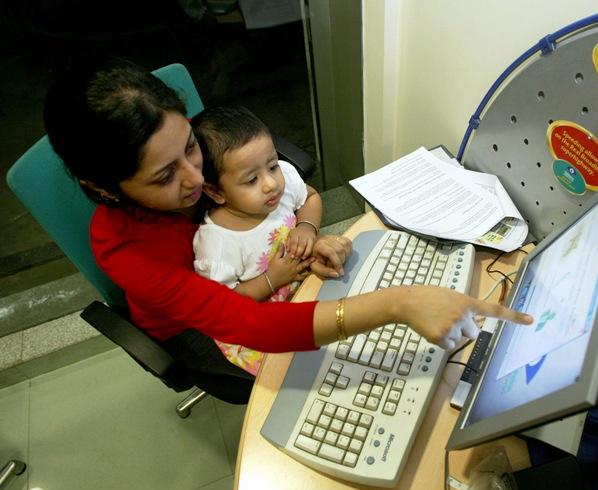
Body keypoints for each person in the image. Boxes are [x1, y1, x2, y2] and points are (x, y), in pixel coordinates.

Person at [42, 58, 533, 399]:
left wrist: (305, 228)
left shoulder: (191, 163)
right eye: (165, 176)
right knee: (322, 377)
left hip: (261, 269)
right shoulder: (125, 249)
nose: (198, 180)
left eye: (190, 147)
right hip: (201, 324)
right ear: (105, 187)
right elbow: (249, 325)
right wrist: (399, 303)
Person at [191, 105, 323, 375]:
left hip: (303, 285)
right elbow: (224, 306)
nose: (271, 183)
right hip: (258, 320)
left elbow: (310, 197)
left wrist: (307, 227)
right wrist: (271, 279)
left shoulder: (279, 185)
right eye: (251, 180)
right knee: (305, 371)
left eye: (272, 165)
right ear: (216, 192)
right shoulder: (216, 244)